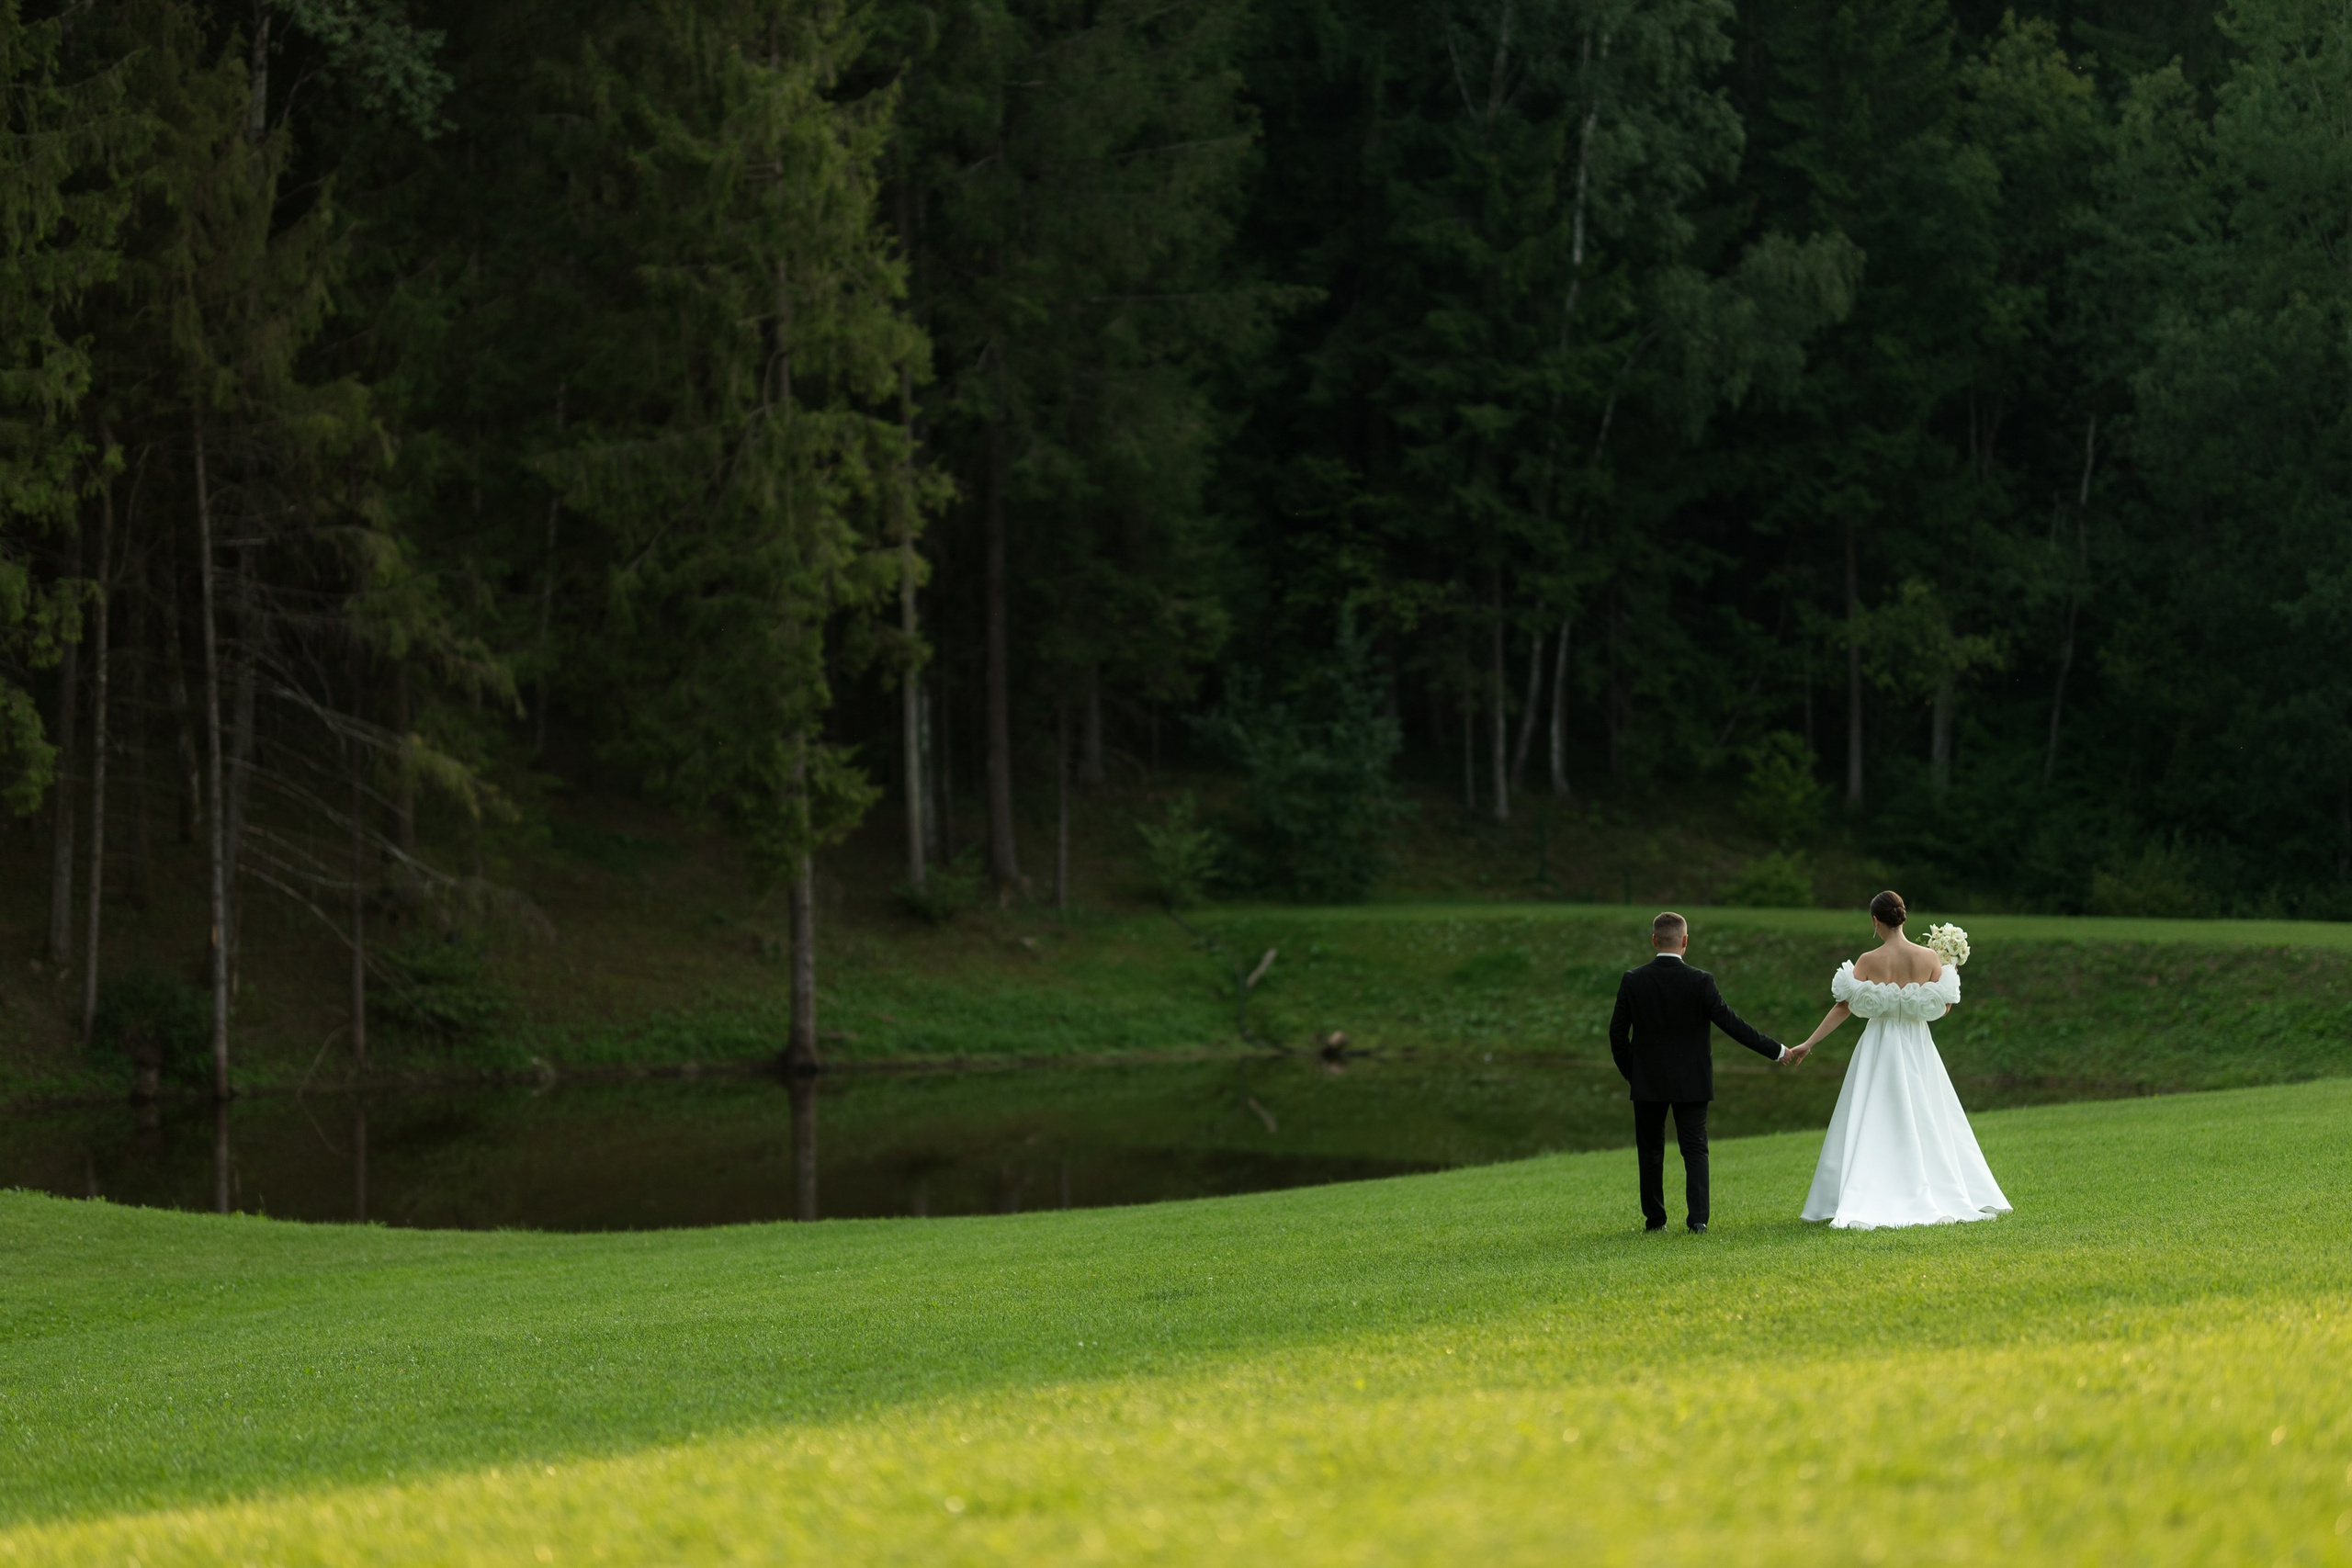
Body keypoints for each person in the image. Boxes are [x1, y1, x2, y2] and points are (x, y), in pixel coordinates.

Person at [1784, 890, 2011, 1229]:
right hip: (1918, 1046)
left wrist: (1808, 1043)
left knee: (1872, 1116)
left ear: (1876, 921)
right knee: (1928, 1116)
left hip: (1878, 1047)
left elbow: (1843, 1007)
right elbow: (1942, 1009)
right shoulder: (1930, 959)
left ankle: (1864, 1189)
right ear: (1903, 918)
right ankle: (1934, 1188)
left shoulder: (1867, 961)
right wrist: (1945, 971)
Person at [1608, 911, 1791, 1234]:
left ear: (1654, 940)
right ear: (1685, 942)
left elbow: (1617, 1035)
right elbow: (1733, 1025)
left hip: (1647, 1082)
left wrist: (1634, 1073)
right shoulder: (1700, 981)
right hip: (1692, 1082)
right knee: (1694, 1149)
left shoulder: (1633, 979)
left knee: (1650, 1151)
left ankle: (1655, 1221)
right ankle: (1698, 1221)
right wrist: (1777, 1051)